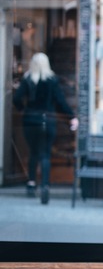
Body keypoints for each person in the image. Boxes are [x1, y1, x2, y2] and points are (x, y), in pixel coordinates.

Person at [13, 52, 78, 204]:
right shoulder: (52, 81)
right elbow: (61, 102)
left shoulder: (28, 80)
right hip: (47, 121)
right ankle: (45, 186)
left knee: (33, 152)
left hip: (30, 121)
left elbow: (16, 98)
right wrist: (71, 117)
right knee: (45, 154)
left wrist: (23, 110)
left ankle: (31, 183)